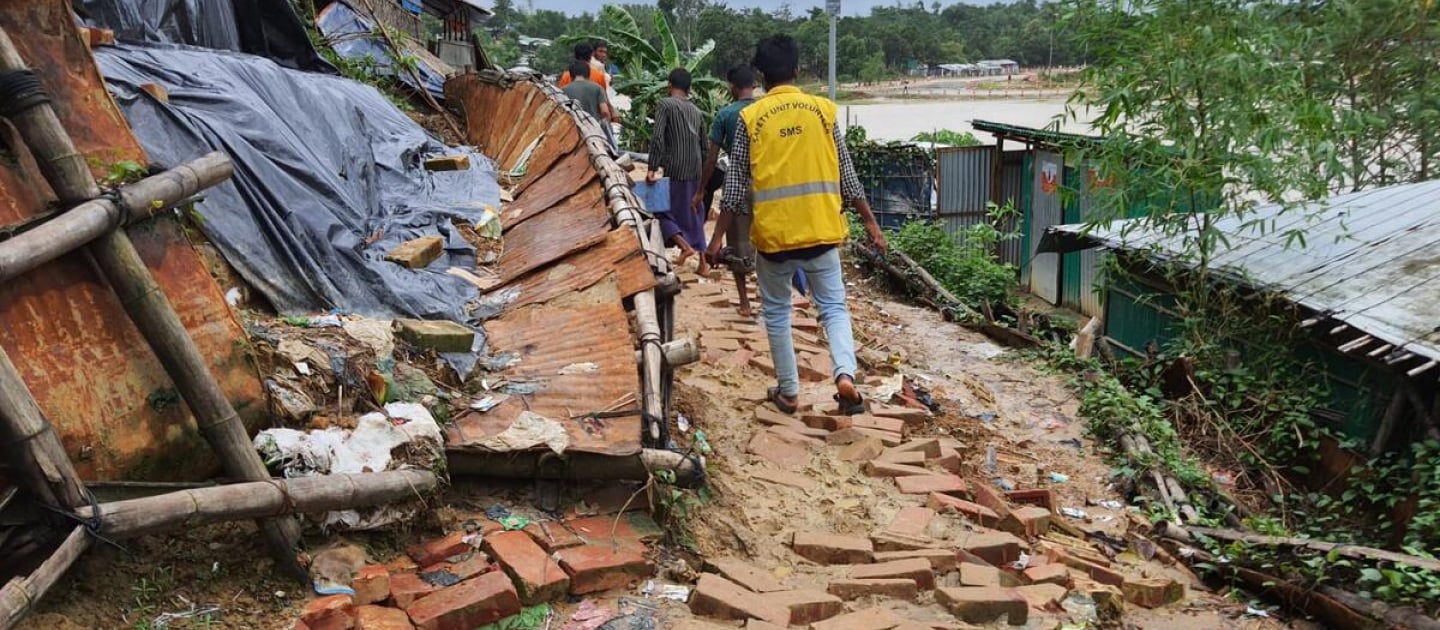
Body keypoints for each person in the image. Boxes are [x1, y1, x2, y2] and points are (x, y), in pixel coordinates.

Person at [707, 34, 887, 416]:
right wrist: (872, 224)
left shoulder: (750, 119)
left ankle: (789, 392)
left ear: (761, 75)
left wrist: (716, 239)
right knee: (834, 308)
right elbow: (847, 176)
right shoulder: (823, 111)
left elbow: (736, 190)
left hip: (774, 240)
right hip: (822, 231)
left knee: (776, 312)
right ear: (797, 70)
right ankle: (845, 376)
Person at [695, 64, 759, 315]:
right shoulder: (765, 110)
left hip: (739, 181)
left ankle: (744, 302)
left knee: (738, 242)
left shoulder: (726, 115)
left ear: (732, 87)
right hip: (770, 182)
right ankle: (773, 297)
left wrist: (702, 189)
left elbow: (712, 158)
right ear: (753, 85)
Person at [647, 68, 710, 275]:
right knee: (695, 212)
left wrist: (652, 167)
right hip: (696, 168)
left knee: (662, 210)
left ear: (669, 85)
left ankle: (684, 246)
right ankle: (703, 263)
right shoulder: (696, 110)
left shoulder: (665, 105)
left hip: (675, 167)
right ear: (688, 88)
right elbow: (704, 146)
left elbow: (657, 138)